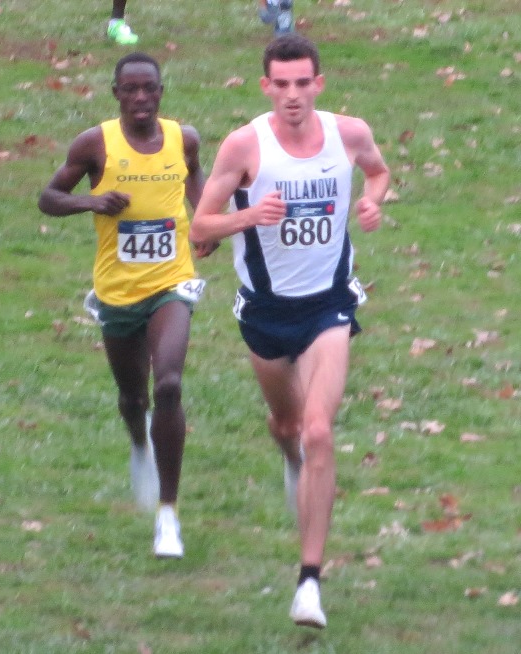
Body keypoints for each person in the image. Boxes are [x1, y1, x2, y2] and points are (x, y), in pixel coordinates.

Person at [190, 34, 389, 628]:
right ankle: (292, 459)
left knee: (319, 431)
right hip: (265, 314)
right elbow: (201, 224)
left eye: (304, 83)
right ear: (266, 87)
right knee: (287, 426)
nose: (294, 95)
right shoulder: (244, 145)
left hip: (328, 305)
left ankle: (308, 584)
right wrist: (250, 215)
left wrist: (374, 202)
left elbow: (378, 172)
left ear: (318, 85)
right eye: (283, 84)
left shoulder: (347, 134)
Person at [39, 52, 215, 559]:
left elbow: (195, 178)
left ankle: (168, 515)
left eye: (150, 89)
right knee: (133, 397)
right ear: (115, 92)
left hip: (171, 282)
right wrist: (91, 201)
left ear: (161, 92)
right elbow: (48, 197)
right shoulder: (95, 144)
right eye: (131, 89)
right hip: (118, 291)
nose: (141, 98)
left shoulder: (184, 139)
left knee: (170, 384)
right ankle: (140, 443)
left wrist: (203, 222)